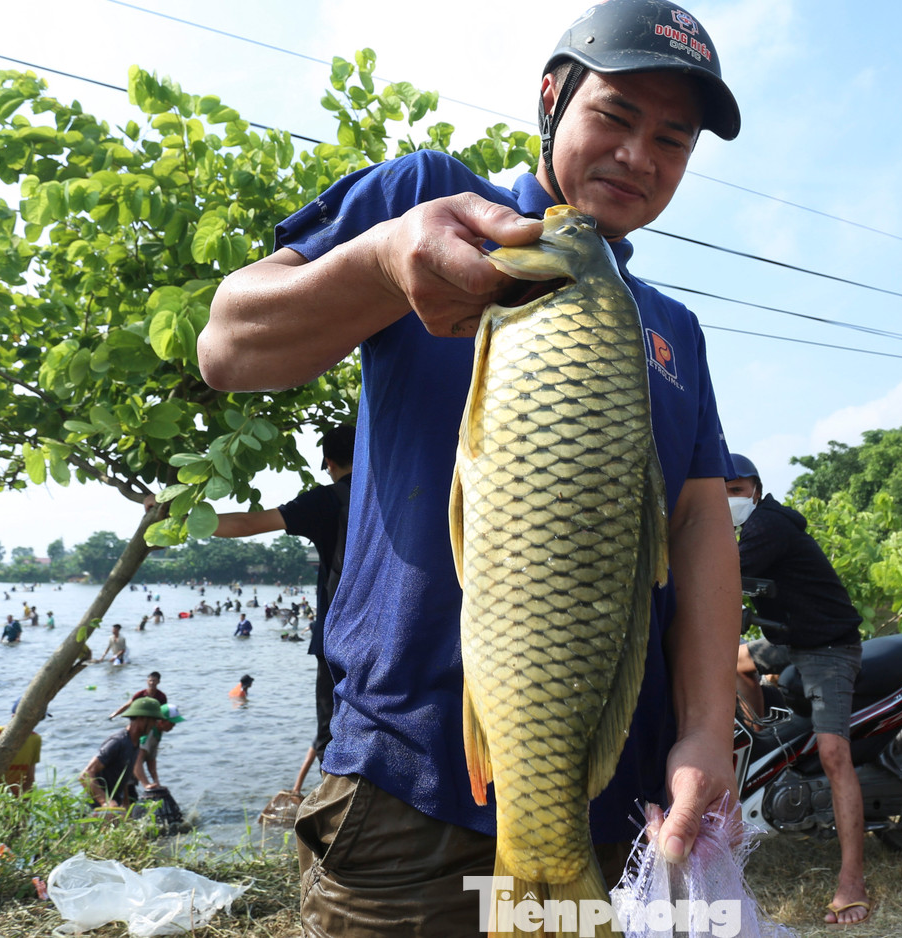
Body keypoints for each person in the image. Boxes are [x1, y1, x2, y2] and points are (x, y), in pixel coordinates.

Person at [199, 1, 743, 932]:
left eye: (673, 139)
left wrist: (702, 728)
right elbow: (230, 346)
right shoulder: (430, 200)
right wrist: (378, 262)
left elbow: (698, 527)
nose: (639, 156)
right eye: (613, 116)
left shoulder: (673, 330)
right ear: (551, 98)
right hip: (403, 779)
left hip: (611, 787)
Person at [727, 454, 870, 925]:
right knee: (734, 664)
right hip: (792, 641)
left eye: (737, 488)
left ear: (756, 488)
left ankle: (852, 881)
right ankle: (767, 732)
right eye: (721, 489)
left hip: (829, 648)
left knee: (834, 754)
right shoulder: (756, 525)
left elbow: (723, 579)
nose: (730, 496)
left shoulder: (767, 526)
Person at [207, 424, 354, 770]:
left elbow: (245, 524)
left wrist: (176, 515)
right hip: (400, 632)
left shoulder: (325, 500)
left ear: (329, 462)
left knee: (334, 740)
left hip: (339, 637)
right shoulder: (400, 494)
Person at [81, 697, 161, 809]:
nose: (155, 724)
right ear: (142, 718)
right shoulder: (118, 742)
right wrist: (105, 802)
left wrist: (126, 806)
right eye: (154, 720)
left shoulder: (135, 743)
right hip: (95, 808)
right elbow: (85, 775)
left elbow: (123, 778)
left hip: (114, 806)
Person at [134, 704, 186, 790]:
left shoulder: (158, 732)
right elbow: (136, 760)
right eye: (172, 722)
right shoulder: (148, 734)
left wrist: (156, 782)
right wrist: (146, 784)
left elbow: (151, 759)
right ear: (161, 721)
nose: (174, 725)